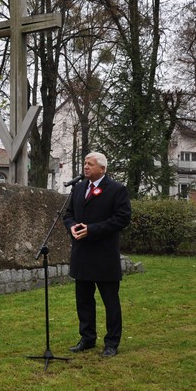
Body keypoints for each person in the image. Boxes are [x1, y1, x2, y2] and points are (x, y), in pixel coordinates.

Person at [63, 152, 132, 358]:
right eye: (84, 163)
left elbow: (122, 218)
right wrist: (73, 227)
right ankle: (87, 338)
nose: (85, 167)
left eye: (90, 164)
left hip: (104, 255)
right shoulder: (79, 188)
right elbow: (68, 214)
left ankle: (111, 342)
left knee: (110, 302)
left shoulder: (116, 190)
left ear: (102, 169)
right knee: (83, 300)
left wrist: (92, 229)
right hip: (82, 253)